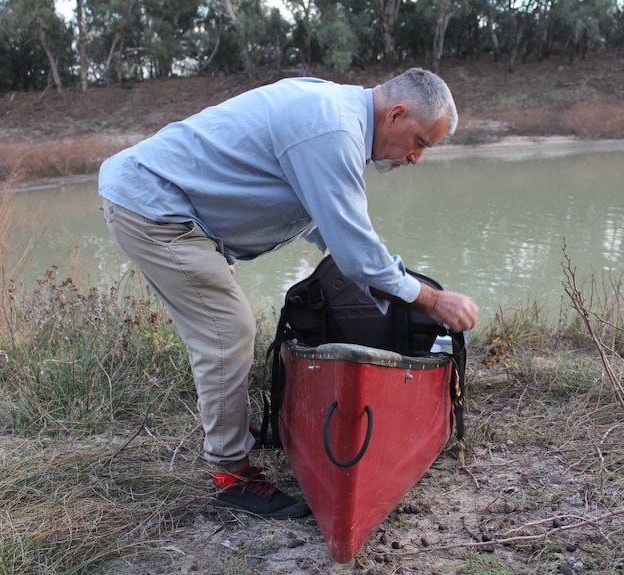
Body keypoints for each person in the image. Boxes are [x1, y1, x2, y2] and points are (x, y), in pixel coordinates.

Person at [98, 67, 479, 520]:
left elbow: (332, 229)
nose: (416, 158)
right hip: (153, 206)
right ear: (396, 114)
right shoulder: (333, 129)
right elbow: (357, 252)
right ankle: (230, 473)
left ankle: (232, 429)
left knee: (225, 326)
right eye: (420, 143)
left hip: (164, 204)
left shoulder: (336, 116)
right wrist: (432, 301)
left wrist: (379, 277)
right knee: (227, 329)